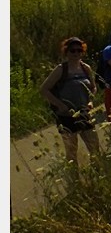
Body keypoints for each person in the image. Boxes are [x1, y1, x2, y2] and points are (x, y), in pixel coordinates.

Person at [39, 37, 101, 166]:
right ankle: (74, 177)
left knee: (94, 147)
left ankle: (97, 173)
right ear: (66, 52)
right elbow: (44, 89)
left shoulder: (86, 68)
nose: (76, 53)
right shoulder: (61, 69)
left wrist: (90, 101)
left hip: (84, 112)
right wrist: (60, 105)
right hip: (66, 116)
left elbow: (93, 87)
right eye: (73, 50)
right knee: (72, 152)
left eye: (79, 50)